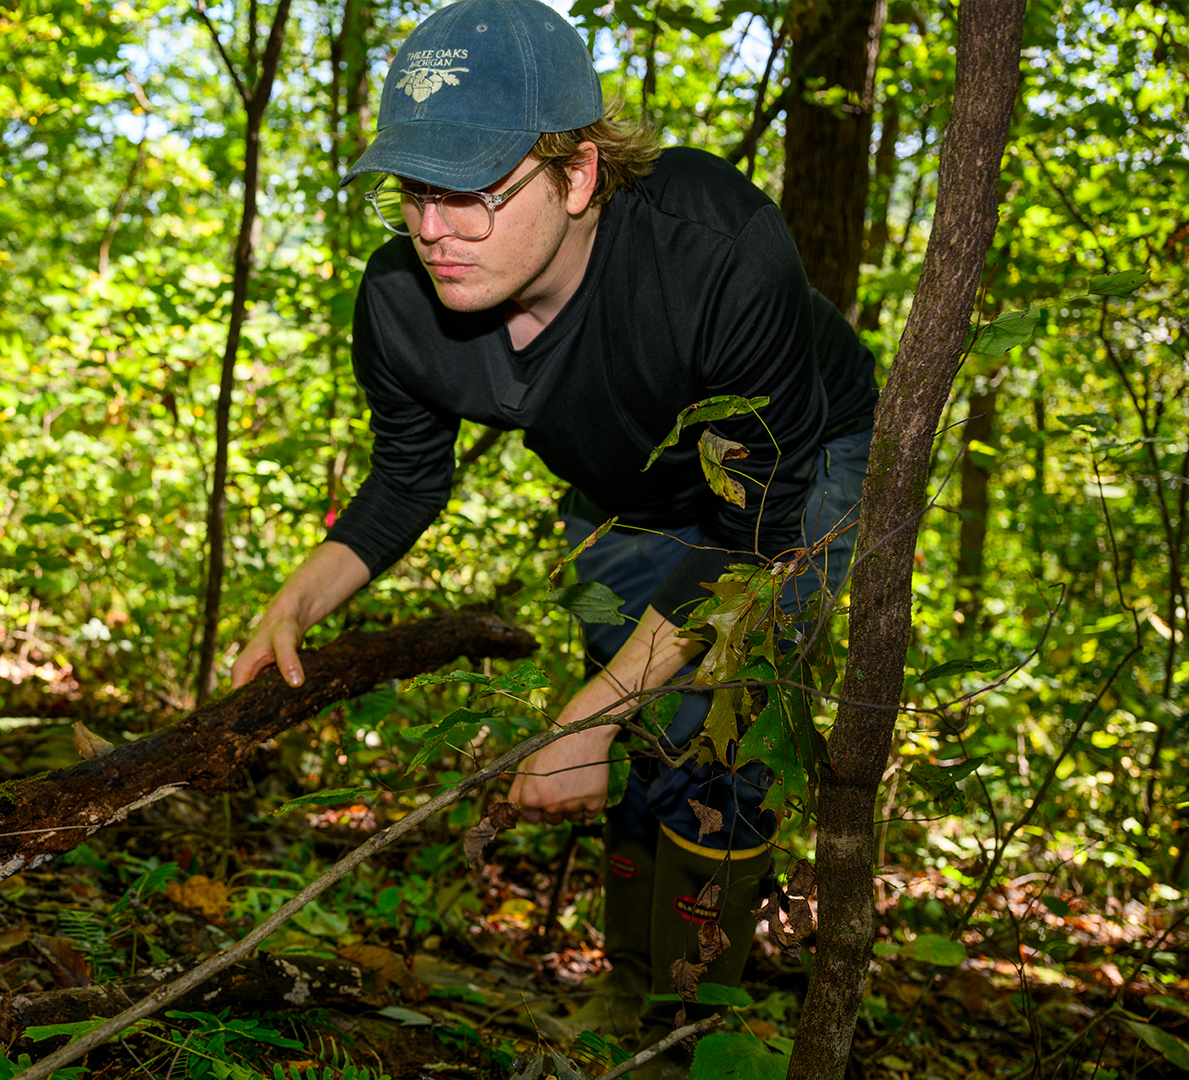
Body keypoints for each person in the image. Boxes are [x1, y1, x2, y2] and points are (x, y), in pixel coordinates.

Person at [229, 0, 877, 1070]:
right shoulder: (400, 304)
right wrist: (297, 600)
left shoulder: (713, 252)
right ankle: (631, 997)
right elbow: (403, 482)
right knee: (633, 734)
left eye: (473, 193)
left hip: (795, 480)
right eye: (413, 192)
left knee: (730, 726)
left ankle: (698, 1021)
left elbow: (754, 537)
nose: (434, 229)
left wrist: (595, 710)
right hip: (614, 490)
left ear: (577, 176)